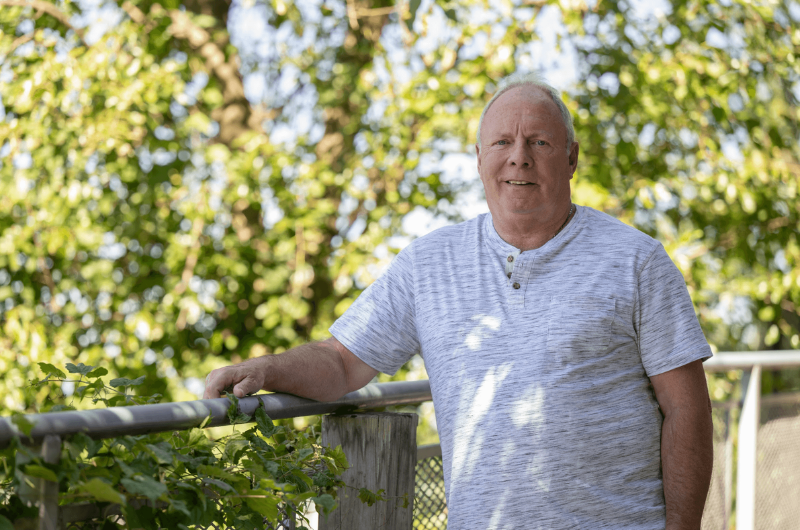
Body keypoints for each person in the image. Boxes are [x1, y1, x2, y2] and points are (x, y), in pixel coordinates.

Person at [204, 72, 713, 529]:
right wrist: (266, 370)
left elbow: (686, 408)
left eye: (539, 141)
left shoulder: (636, 260)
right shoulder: (429, 264)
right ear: (479, 160)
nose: (520, 156)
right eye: (502, 142)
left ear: (572, 157)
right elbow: (340, 363)